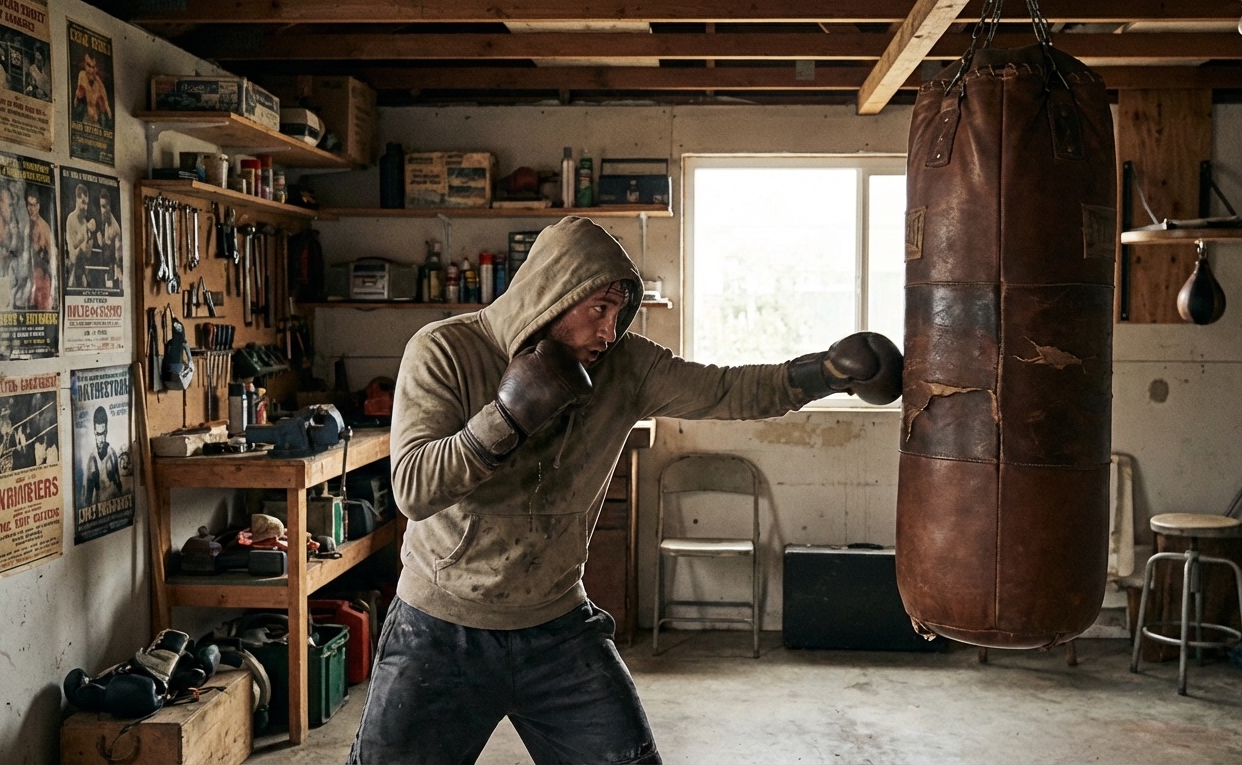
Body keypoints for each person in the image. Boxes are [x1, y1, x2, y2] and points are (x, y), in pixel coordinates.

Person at [349, 216, 902, 764]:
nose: (609, 331)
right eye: (599, 310)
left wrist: (823, 375)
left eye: (617, 312)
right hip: (439, 629)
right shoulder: (446, 349)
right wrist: (506, 417)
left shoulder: (625, 365)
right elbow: (414, 489)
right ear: (552, 295)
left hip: (557, 628)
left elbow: (724, 389)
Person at [82, 406, 123, 506]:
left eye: (103, 434)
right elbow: (88, 497)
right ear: (94, 433)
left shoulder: (112, 454)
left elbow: (119, 486)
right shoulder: (92, 459)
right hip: (99, 509)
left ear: (106, 431)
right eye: (98, 434)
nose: (100, 439)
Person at [24, 189, 54, 310]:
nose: (32, 209)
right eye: (29, 205)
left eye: (34, 205)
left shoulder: (44, 227)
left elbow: (53, 256)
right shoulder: (26, 226)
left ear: (38, 206)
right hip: (29, 282)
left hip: (43, 281)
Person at [72, 51, 111, 128]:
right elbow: (76, 101)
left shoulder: (99, 84)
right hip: (83, 120)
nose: (91, 70)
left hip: (96, 123)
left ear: (96, 68)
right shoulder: (82, 75)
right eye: (89, 66)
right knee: (81, 91)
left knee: (101, 101)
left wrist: (104, 110)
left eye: (93, 67)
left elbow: (108, 110)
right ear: (84, 64)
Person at [64, 183, 92, 289]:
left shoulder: (85, 222)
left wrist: (90, 237)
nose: (85, 207)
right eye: (83, 203)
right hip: (72, 272)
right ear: (77, 199)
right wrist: (81, 245)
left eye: (87, 204)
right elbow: (72, 256)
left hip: (82, 272)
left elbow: (88, 254)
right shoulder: (71, 219)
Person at [96, 187, 122, 288]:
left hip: (115, 269)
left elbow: (104, 242)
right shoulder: (104, 223)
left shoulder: (113, 226)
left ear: (108, 207)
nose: (102, 211)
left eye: (103, 207)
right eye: (100, 207)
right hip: (108, 268)